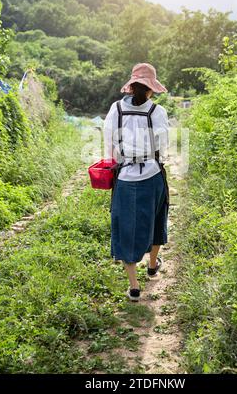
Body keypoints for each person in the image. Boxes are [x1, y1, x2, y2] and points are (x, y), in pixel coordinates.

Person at [103, 63, 170, 302]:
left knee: (125, 228)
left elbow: (108, 143)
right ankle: (152, 265)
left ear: (131, 86)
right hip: (152, 174)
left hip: (124, 177)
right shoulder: (157, 112)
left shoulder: (116, 109)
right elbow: (164, 147)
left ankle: (133, 287)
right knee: (155, 217)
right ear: (151, 89)